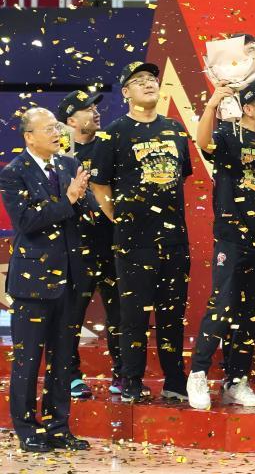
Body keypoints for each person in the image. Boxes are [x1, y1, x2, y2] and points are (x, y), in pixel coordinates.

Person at [90, 62, 192, 404]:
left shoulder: (175, 129)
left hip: (174, 239)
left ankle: (175, 380)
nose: (148, 84)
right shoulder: (114, 133)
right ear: (126, 93)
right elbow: (99, 184)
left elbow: (181, 175)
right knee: (134, 315)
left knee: (172, 314)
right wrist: (118, 218)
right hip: (134, 241)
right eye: (139, 81)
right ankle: (132, 381)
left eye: (152, 79)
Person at [0, 108, 92, 453]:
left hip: (70, 276)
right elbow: (27, 221)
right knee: (28, 360)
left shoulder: (68, 164)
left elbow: (83, 208)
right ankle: (26, 429)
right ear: (29, 136)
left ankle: (58, 427)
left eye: (57, 127)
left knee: (63, 358)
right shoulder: (14, 173)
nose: (57, 133)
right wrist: (68, 199)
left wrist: (81, 198)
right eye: (49, 128)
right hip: (33, 280)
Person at [186, 79, 255, 411]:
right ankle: (198, 373)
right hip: (232, 236)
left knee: (253, 312)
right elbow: (203, 141)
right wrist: (213, 104)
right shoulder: (229, 134)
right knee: (223, 305)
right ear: (248, 108)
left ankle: (235, 380)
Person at [57, 88, 122, 400]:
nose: (96, 112)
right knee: (71, 315)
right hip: (75, 246)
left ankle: (123, 374)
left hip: (112, 242)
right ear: (71, 120)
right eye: (87, 109)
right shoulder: (58, 155)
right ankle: (70, 376)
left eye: (96, 107)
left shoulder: (110, 144)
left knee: (120, 313)